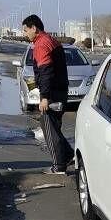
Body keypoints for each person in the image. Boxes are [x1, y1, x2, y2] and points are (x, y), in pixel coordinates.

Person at [21, 15, 73, 174]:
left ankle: (59, 166)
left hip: (52, 94)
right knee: (54, 128)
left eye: (25, 30)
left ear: (34, 28)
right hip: (59, 90)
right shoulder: (50, 40)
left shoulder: (41, 44)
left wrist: (44, 97)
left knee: (49, 129)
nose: (24, 33)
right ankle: (68, 155)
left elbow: (46, 72)